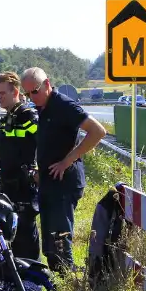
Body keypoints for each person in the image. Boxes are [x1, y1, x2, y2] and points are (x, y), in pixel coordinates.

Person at [21, 67, 106, 274]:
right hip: (49, 182)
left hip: (65, 182)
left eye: (35, 91)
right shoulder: (42, 108)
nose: (32, 97)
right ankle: (56, 287)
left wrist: (67, 160)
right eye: (27, 94)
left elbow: (98, 131)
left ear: (48, 84)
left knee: (60, 239)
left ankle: (70, 290)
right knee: (50, 244)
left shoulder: (64, 105)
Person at [0, 71, 40, 260]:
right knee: (12, 236)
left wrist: (38, 171)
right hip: (8, 184)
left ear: (15, 92)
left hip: (24, 186)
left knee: (26, 236)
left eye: (2, 93)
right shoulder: (6, 117)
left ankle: (32, 282)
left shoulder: (27, 116)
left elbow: (44, 145)